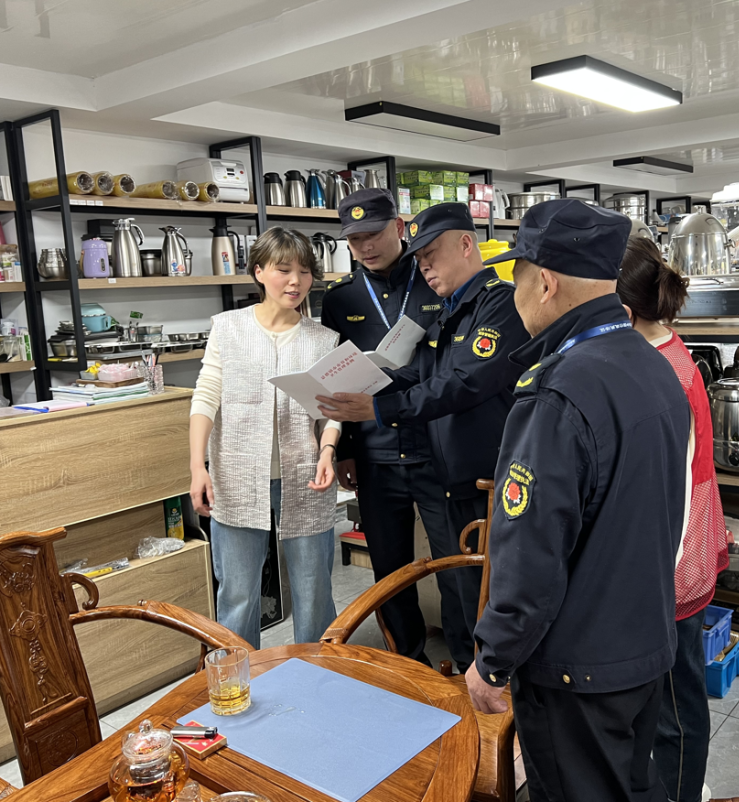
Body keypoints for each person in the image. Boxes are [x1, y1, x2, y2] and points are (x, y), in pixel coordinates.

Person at [467, 199, 691, 802]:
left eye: (517, 278)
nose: (513, 295)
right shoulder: (653, 365)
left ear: (545, 282)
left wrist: (493, 660)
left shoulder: (558, 393)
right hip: (644, 645)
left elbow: (530, 554)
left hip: (578, 667)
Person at [319, 202, 530, 672]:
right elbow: (419, 373)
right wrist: (362, 386)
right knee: (414, 573)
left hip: (473, 472)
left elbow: (463, 382)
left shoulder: (498, 303)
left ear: (466, 244)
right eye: (418, 258)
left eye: (431, 254)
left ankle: (478, 675)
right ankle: (425, 671)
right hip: (418, 463)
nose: (425, 267)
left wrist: (378, 407)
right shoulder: (450, 311)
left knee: (469, 580)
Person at [617, 237, 729, 802]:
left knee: (676, 706)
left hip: (674, 556)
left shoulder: (662, 373)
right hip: (679, 545)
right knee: (666, 694)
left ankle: (682, 792)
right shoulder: (661, 350)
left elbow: (665, 490)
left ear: (622, 311)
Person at [189, 227, 339, 648]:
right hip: (235, 474)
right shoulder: (228, 328)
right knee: (237, 593)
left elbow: (331, 410)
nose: (296, 281)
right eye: (283, 270)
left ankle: (317, 673)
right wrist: (197, 466)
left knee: (314, 590)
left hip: (306, 476)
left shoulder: (323, 339)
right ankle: (241, 677)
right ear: (258, 271)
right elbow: (206, 397)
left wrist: (328, 450)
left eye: (305, 272)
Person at [320, 188, 451, 666]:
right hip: (375, 452)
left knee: (454, 563)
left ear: (399, 227)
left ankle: (466, 661)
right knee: (389, 571)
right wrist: (344, 450)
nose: (366, 247)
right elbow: (336, 376)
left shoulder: (434, 278)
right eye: (355, 240)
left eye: (374, 234)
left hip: (437, 446)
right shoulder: (340, 299)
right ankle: (407, 663)